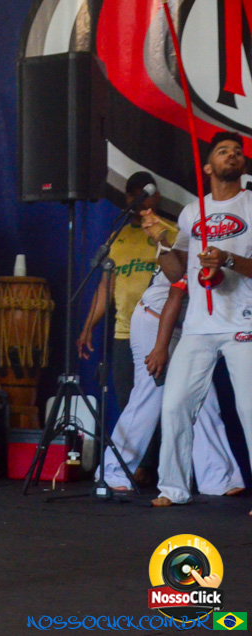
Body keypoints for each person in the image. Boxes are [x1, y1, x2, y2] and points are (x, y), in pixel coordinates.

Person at [150, 131, 252, 512]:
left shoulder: (251, 205)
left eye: (237, 152)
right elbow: (177, 271)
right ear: (207, 167)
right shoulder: (193, 212)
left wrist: (228, 260)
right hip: (198, 325)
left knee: (250, 410)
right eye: (223, 151)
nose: (232, 155)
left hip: (243, 323)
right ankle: (173, 487)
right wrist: (161, 243)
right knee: (174, 404)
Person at [102, 270, 244, 495]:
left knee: (204, 398)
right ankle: (113, 470)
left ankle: (217, 478)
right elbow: (175, 296)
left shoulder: (237, 258)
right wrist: (160, 348)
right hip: (156, 321)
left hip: (189, 329)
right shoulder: (201, 252)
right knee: (149, 395)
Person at [76, 172, 172, 412]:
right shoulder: (117, 237)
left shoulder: (171, 231)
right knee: (127, 403)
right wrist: (88, 327)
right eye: (133, 195)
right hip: (124, 333)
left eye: (144, 194)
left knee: (161, 405)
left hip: (159, 333)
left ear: (156, 196)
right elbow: (105, 287)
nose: (139, 200)